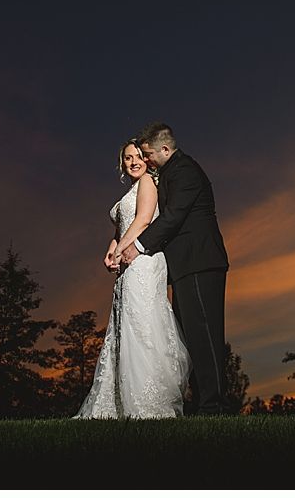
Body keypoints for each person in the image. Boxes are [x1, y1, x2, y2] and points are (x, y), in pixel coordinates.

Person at [73, 140, 191, 419]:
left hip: (144, 261)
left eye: (138, 156)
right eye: (127, 158)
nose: (133, 161)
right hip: (128, 263)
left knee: (142, 325)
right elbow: (122, 227)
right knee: (125, 325)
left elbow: (143, 221)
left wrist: (123, 250)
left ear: (148, 160)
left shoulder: (149, 182)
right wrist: (112, 248)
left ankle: (148, 401)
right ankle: (116, 402)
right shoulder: (131, 189)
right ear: (121, 163)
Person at [119, 122, 231, 415]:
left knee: (205, 335)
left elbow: (173, 217)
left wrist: (138, 247)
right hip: (185, 266)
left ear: (165, 149)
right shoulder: (169, 172)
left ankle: (215, 406)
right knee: (191, 335)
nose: (145, 160)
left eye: (148, 154)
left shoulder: (185, 171)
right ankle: (204, 402)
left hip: (199, 262)